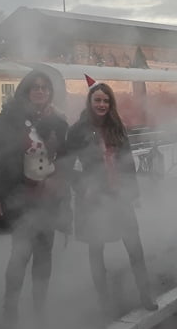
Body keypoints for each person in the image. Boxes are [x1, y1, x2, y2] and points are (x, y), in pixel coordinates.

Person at [0, 70, 70, 326]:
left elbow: (66, 157)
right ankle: (10, 308)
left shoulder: (58, 121)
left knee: (45, 254)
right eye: (35, 87)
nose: (41, 91)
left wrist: (62, 180)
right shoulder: (9, 119)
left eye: (45, 87)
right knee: (20, 253)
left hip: (49, 197)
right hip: (20, 196)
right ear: (26, 90)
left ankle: (39, 308)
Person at [65, 79, 157, 315]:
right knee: (96, 251)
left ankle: (145, 293)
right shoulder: (77, 130)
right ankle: (104, 302)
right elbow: (64, 166)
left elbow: (127, 161)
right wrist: (82, 187)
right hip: (93, 199)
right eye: (98, 100)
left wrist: (133, 193)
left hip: (119, 196)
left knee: (135, 247)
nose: (102, 104)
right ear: (90, 101)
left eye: (106, 100)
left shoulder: (117, 126)